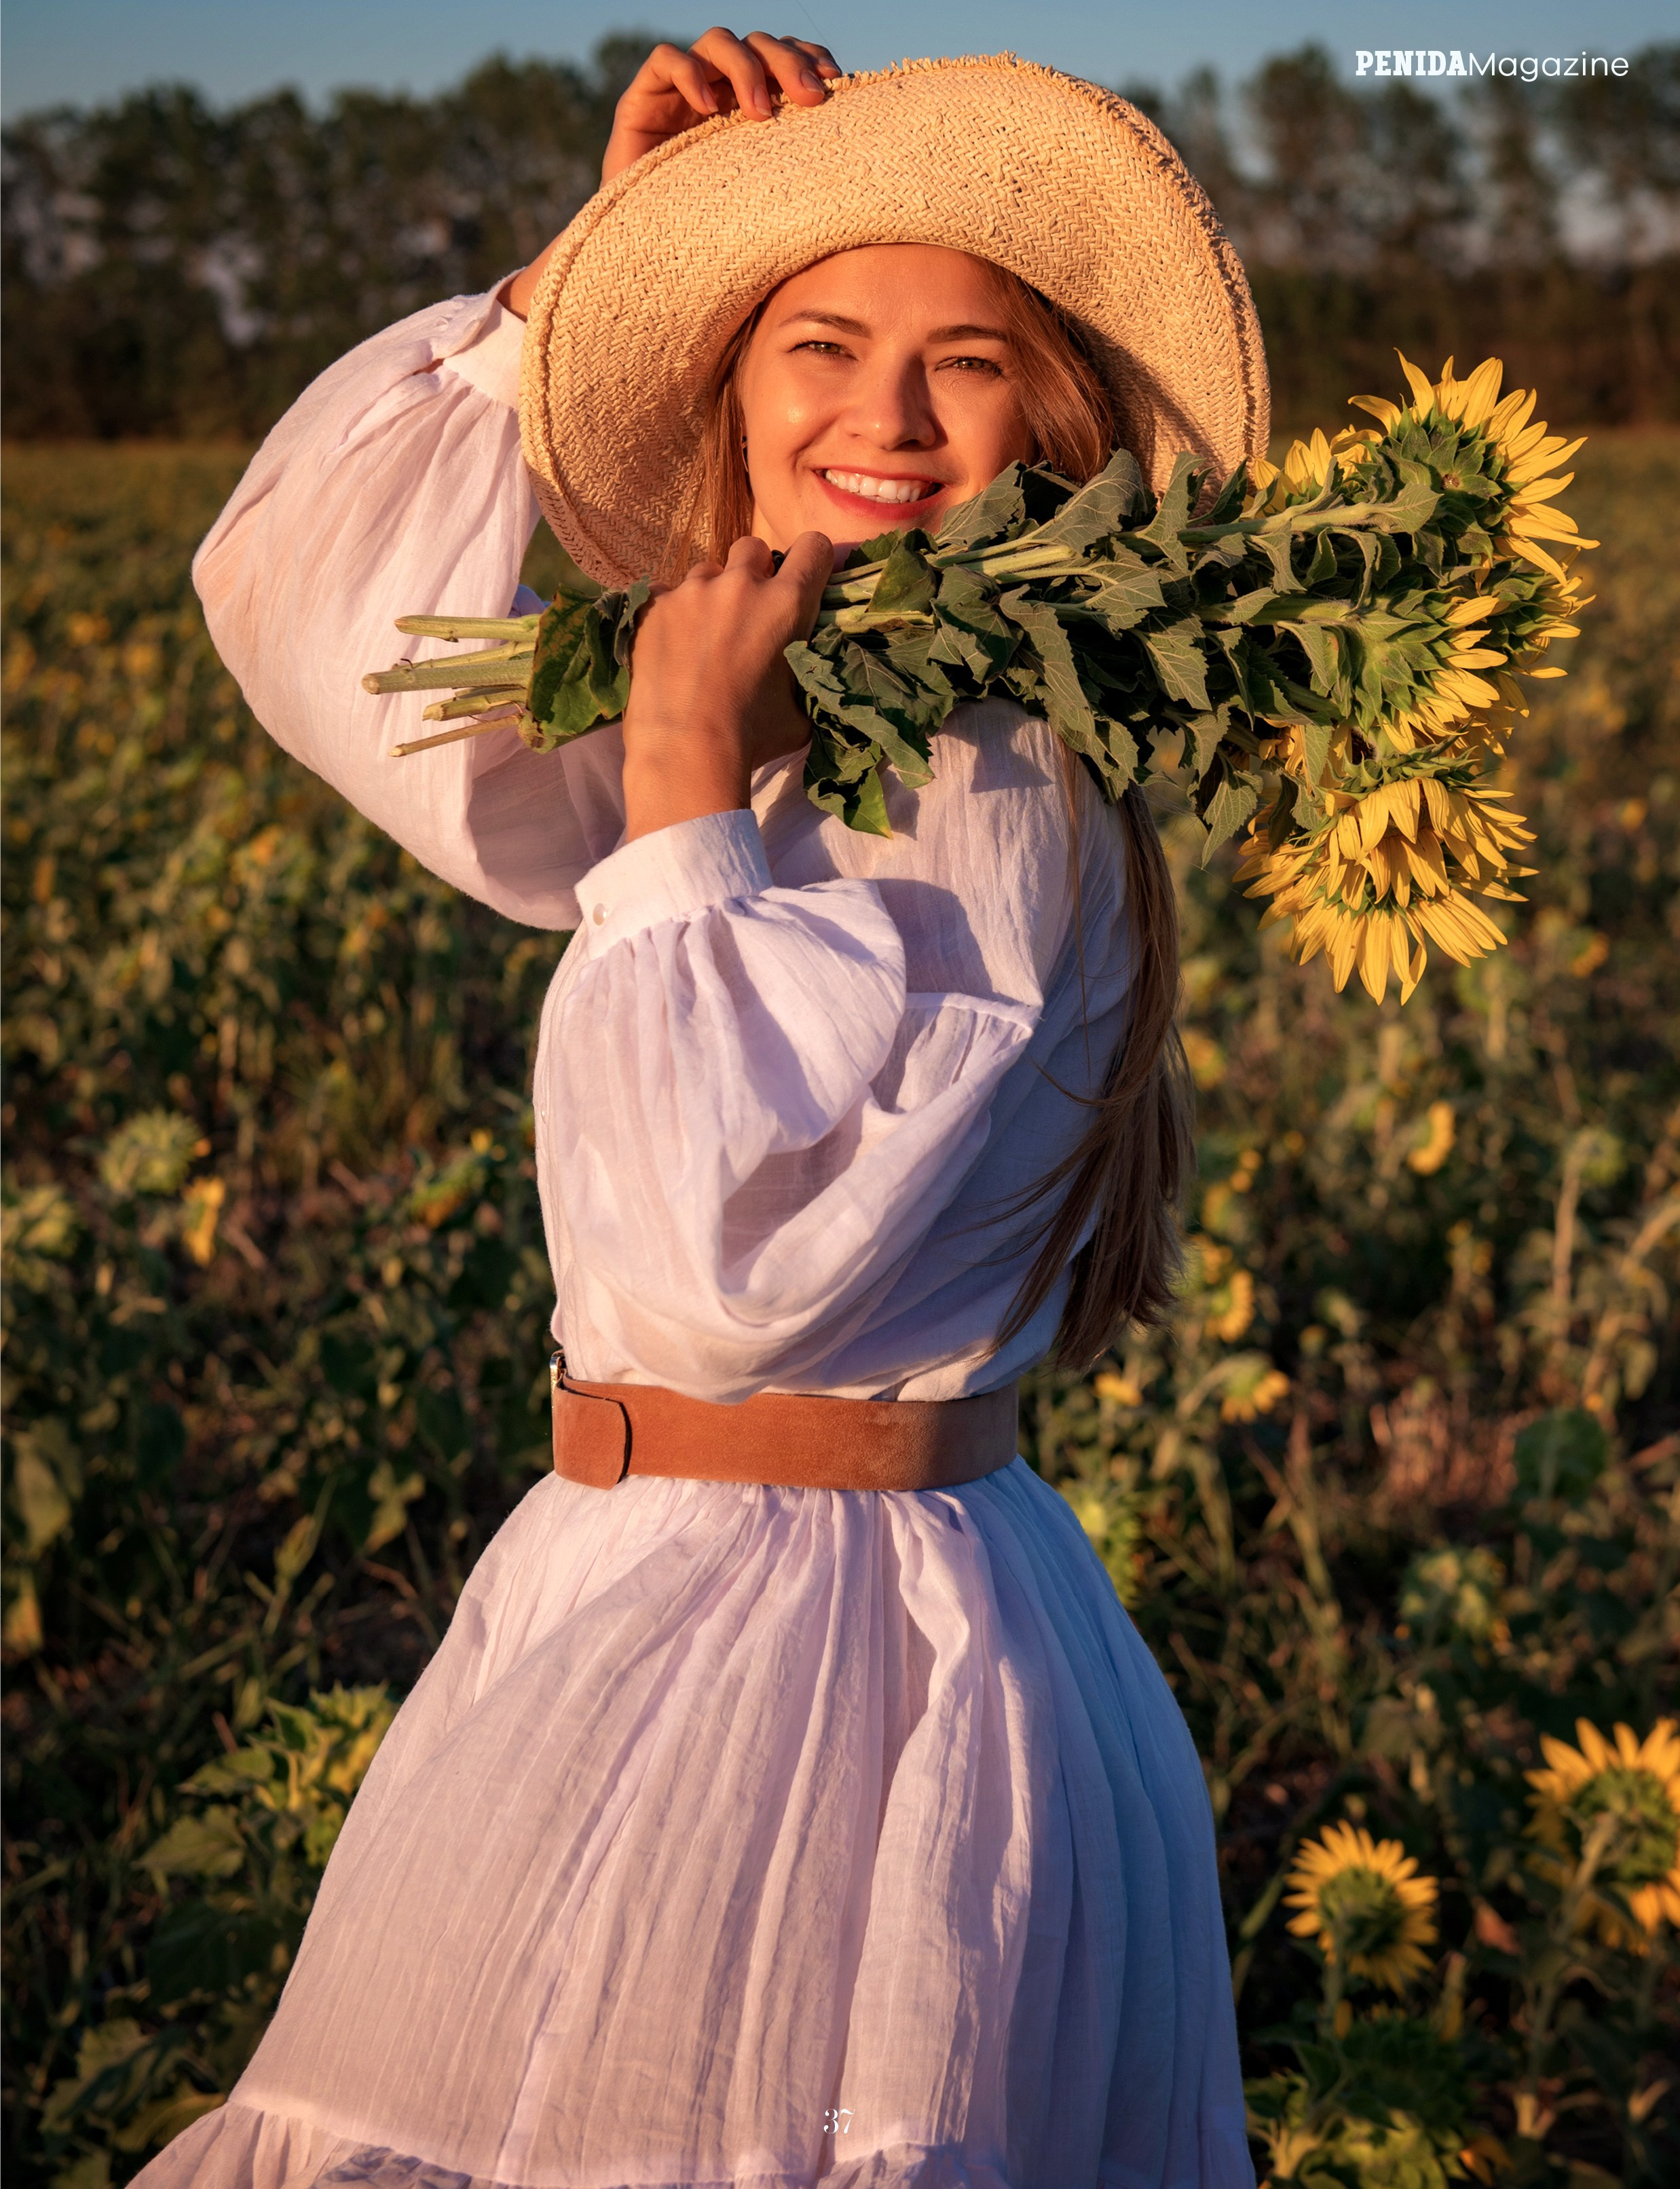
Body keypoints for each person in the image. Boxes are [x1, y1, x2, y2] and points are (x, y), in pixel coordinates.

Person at [137, 32, 1269, 2189]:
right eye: (816, 343)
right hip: (711, 1595)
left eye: (970, 363)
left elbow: (728, 1265)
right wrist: (586, 266)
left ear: (1061, 424)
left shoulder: (970, 767)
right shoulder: (824, 711)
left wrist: (672, 792)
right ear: (734, 394)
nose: (883, 416)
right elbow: (310, 624)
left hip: (805, 1674)